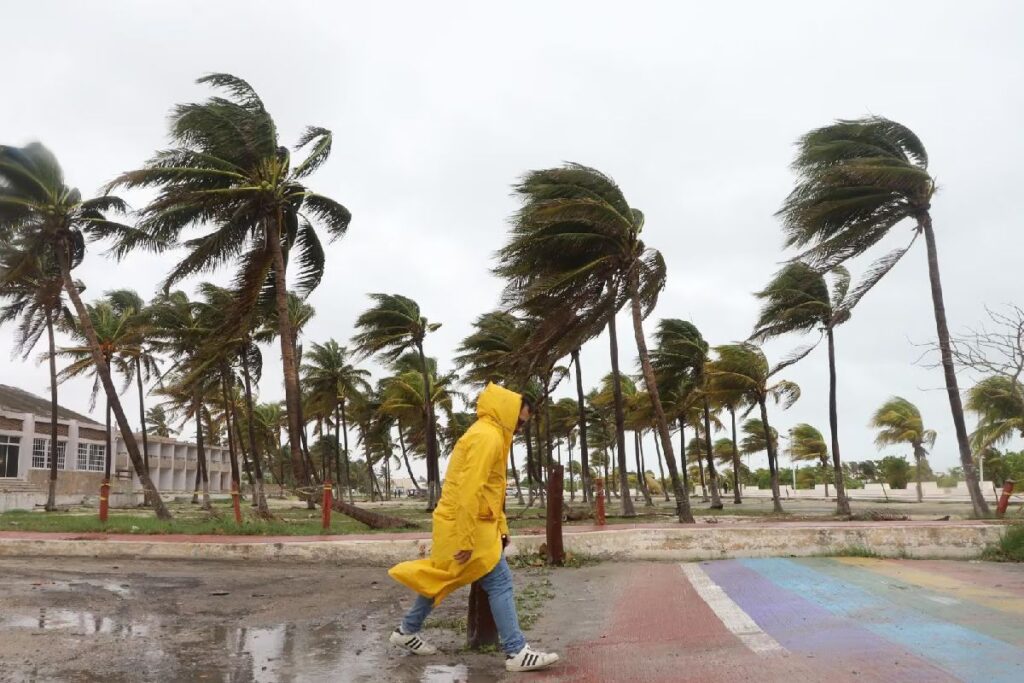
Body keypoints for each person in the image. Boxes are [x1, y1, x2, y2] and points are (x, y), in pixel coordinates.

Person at [387, 383, 559, 673]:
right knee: (499, 581)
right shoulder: (488, 438)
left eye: (523, 425)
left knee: (442, 577)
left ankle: (406, 631)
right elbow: (469, 490)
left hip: (468, 523)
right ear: (508, 412)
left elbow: (492, 490)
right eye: (519, 422)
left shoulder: (489, 434)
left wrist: (501, 529)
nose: (519, 429)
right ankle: (516, 651)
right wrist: (466, 539)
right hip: (464, 526)